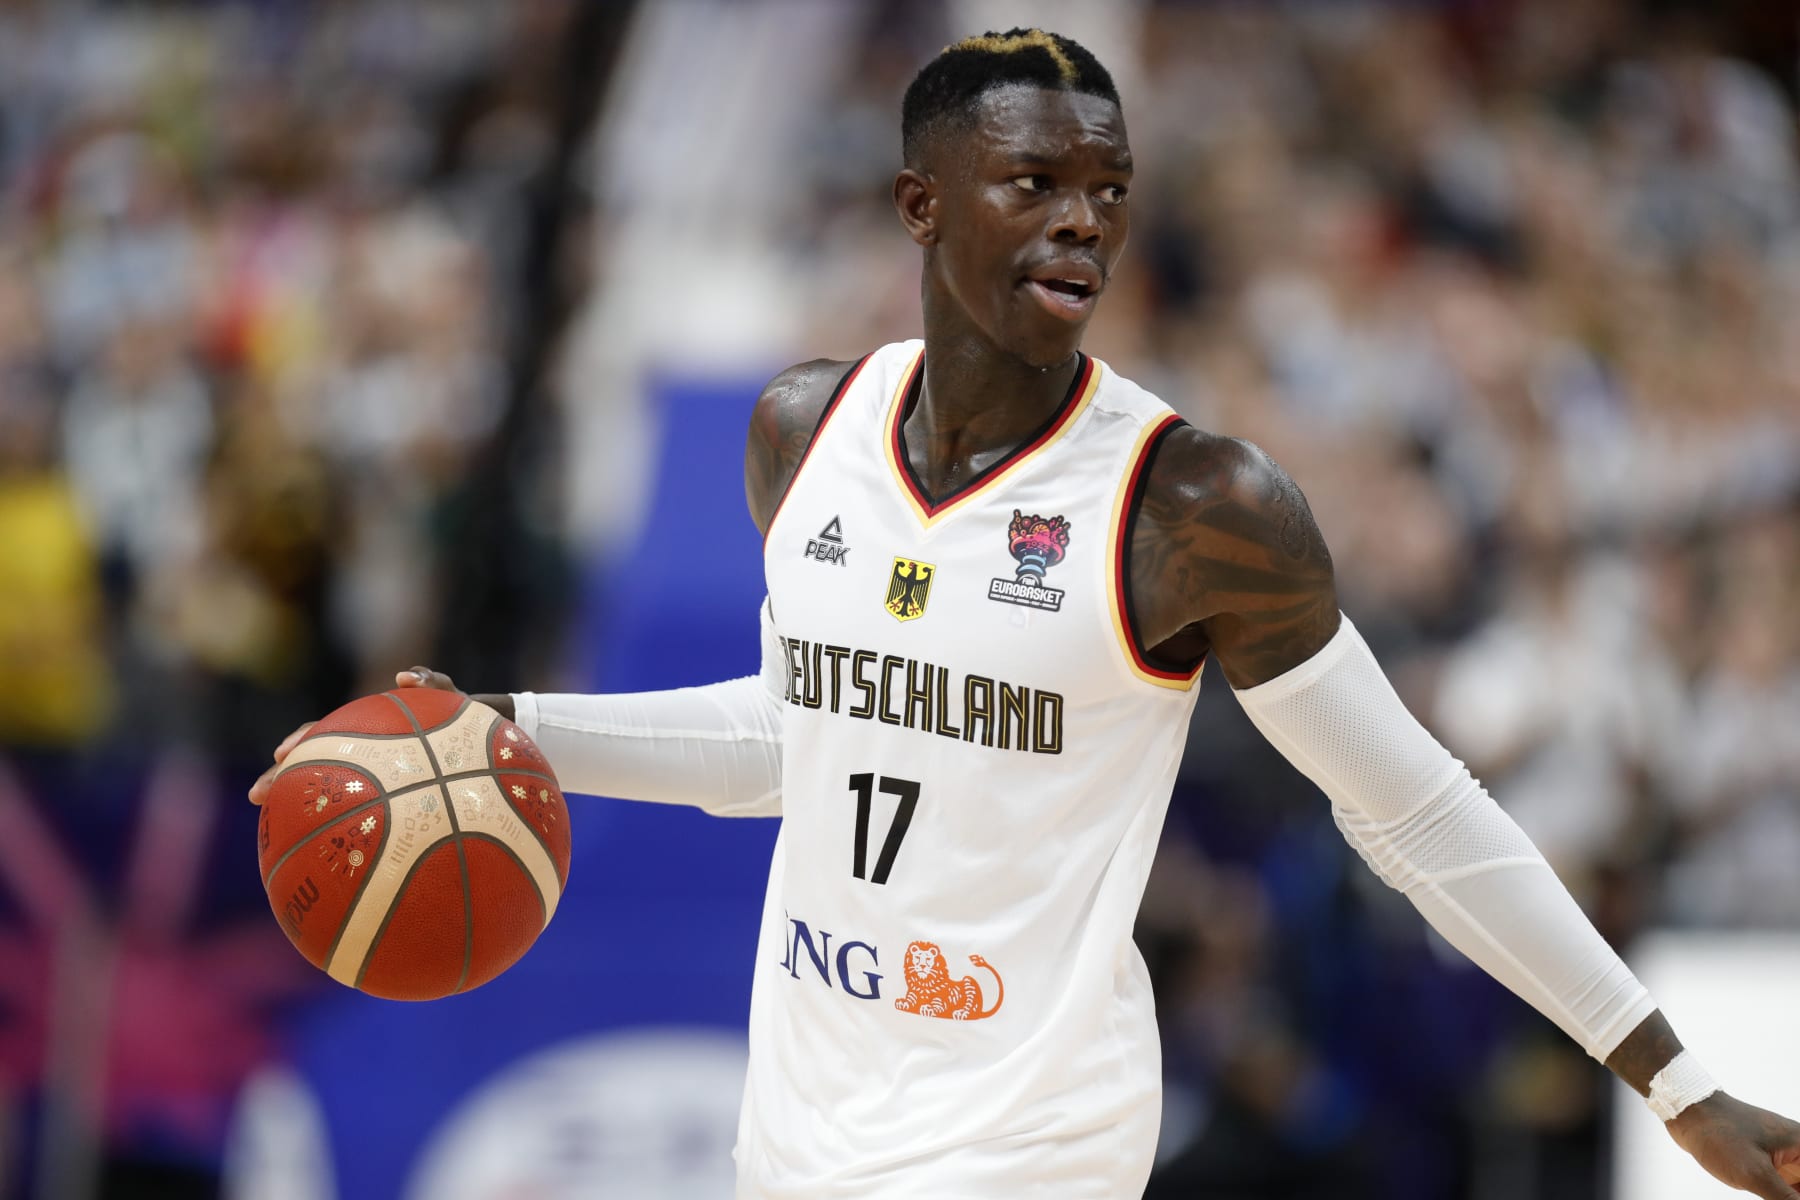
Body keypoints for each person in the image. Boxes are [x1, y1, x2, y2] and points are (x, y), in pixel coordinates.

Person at [251, 28, 1800, 1199]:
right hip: (798, 1129)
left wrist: (1662, 1073)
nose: (1085, 222)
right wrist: (501, 728)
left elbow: (1413, 810)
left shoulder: (1198, 507)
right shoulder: (805, 432)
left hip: (1032, 1145)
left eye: (1108, 188)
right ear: (922, 204)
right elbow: (794, 737)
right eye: (1035, 182)